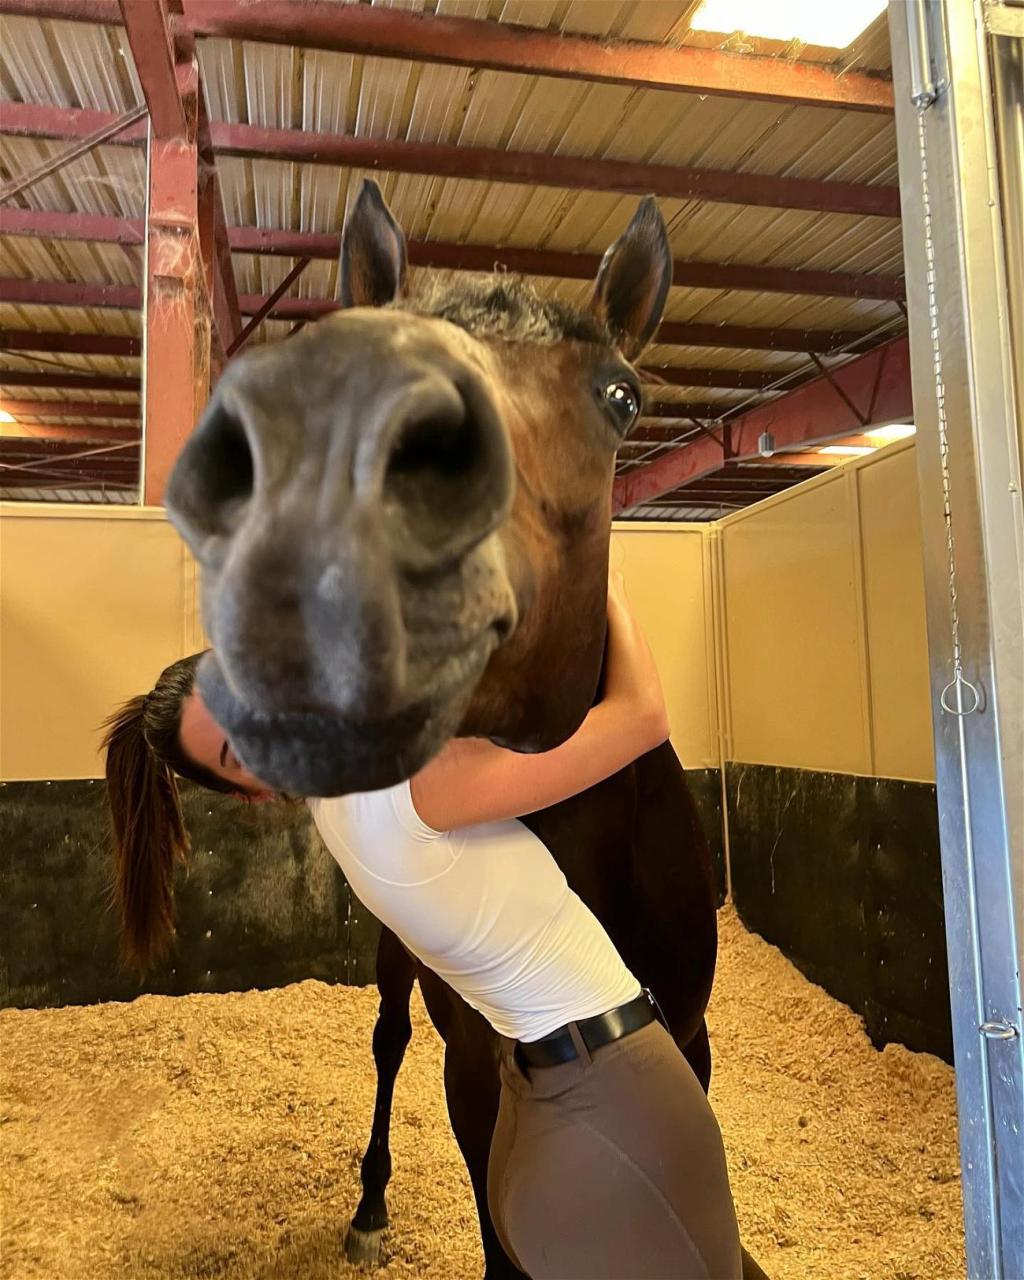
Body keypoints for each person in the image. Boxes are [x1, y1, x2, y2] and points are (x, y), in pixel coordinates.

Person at [103, 575, 743, 1279]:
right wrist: (603, 586)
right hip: (613, 1095)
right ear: (255, 790)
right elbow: (642, 718)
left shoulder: (345, 806)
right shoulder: (408, 784)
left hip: (532, 1115)